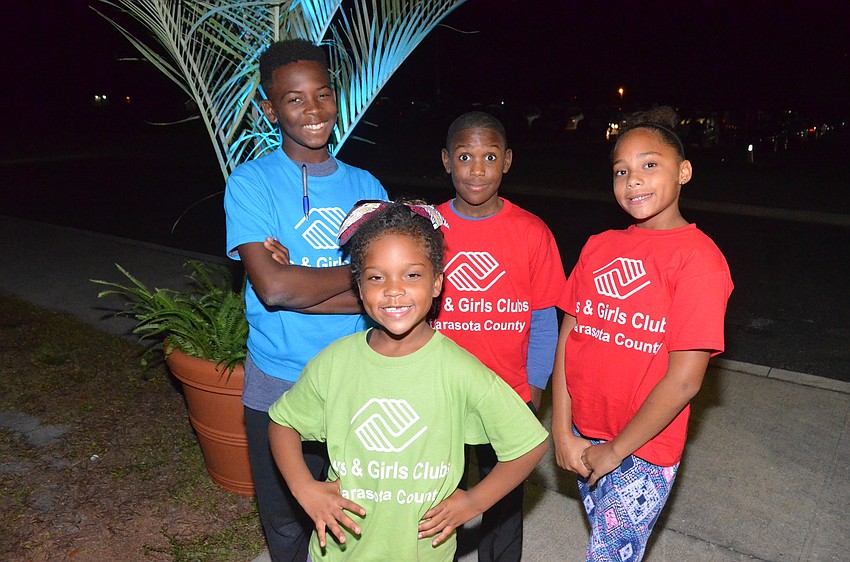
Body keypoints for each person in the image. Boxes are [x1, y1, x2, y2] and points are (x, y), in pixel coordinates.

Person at [267, 200, 549, 561]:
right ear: (359, 287)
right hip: (340, 552)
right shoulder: (334, 363)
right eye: (376, 277)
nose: (394, 290)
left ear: (437, 284)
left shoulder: (459, 369)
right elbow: (282, 422)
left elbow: (529, 444)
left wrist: (474, 501)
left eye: (412, 275)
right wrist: (304, 487)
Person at [223, 39, 387, 562]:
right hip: (277, 382)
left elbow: (390, 300)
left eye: (322, 95)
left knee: (359, 514)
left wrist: (299, 277)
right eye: (294, 100)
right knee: (286, 521)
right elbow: (272, 291)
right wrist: (360, 275)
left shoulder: (367, 186)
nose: (312, 110)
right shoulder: (250, 183)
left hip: (354, 379)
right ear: (270, 110)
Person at [551, 106, 733, 561]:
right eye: (621, 171)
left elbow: (685, 379)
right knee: (605, 544)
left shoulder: (700, 260)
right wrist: (560, 428)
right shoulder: (599, 246)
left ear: (684, 172)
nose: (634, 180)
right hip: (582, 433)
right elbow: (569, 338)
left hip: (642, 449)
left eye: (650, 165)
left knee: (609, 555)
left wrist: (615, 451)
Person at [432, 111, 566, 561]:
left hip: (506, 393)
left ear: (507, 161)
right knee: (435, 498)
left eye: (489, 156)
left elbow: (545, 321)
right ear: (446, 161)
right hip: (438, 391)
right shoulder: (427, 229)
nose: (476, 169)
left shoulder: (532, 232)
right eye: (465, 156)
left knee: (503, 504)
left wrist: (534, 391)